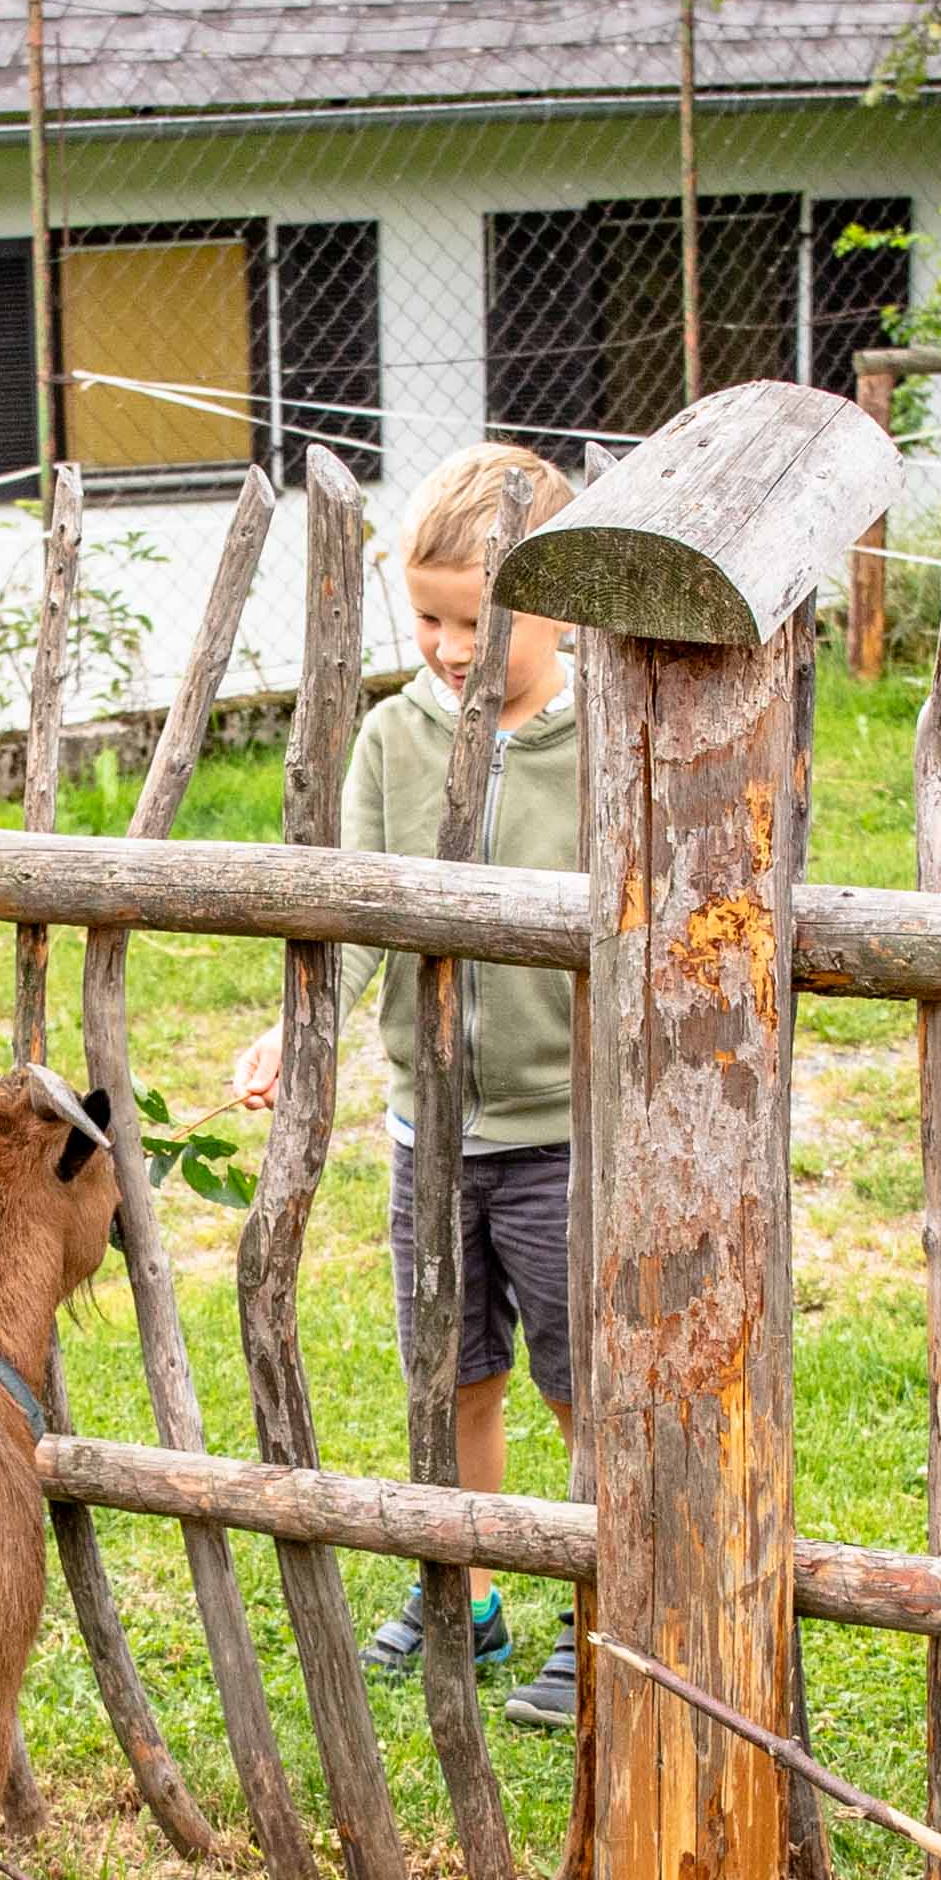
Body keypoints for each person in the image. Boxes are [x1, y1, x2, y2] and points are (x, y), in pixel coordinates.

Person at [227, 440, 589, 1731]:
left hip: (559, 1136)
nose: (445, 646)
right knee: (452, 1376)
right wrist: (295, 1033)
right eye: (427, 618)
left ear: (557, 608)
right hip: (428, 1130)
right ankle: (470, 1594)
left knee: (575, 1386)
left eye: (471, 620)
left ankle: (596, 1613)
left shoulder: (598, 748)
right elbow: (364, 908)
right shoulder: (392, 738)